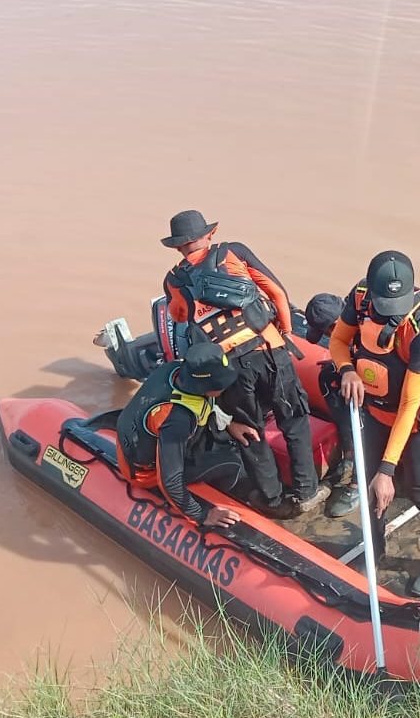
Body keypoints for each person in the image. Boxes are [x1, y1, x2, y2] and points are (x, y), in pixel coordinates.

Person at [160, 209, 324, 519]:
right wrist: (285, 331)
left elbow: (180, 316)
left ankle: (274, 501)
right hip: (269, 348)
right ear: (209, 235)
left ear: (178, 246)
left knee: (249, 430)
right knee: (294, 419)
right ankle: (306, 491)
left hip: (228, 366)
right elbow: (276, 291)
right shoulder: (234, 252)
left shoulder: (173, 280)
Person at [327, 251, 420, 597]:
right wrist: (347, 369)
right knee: (369, 482)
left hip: (413, 421)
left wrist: (388, 469)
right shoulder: (360, 298)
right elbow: (338, 342)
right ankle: (376, 548)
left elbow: (411, 404)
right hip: (374, 408)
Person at [114, 341, 246, 529]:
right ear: (204, 385)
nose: (225, 386)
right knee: (233, 462)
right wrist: (202, 515)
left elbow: (202, 403)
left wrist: (229, 423)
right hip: (146, 474)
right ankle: (223, 498)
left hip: (137, 443)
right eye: (221, 383)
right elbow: (169, 480)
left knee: (219, 442)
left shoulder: (174, 369)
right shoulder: (177, 419)